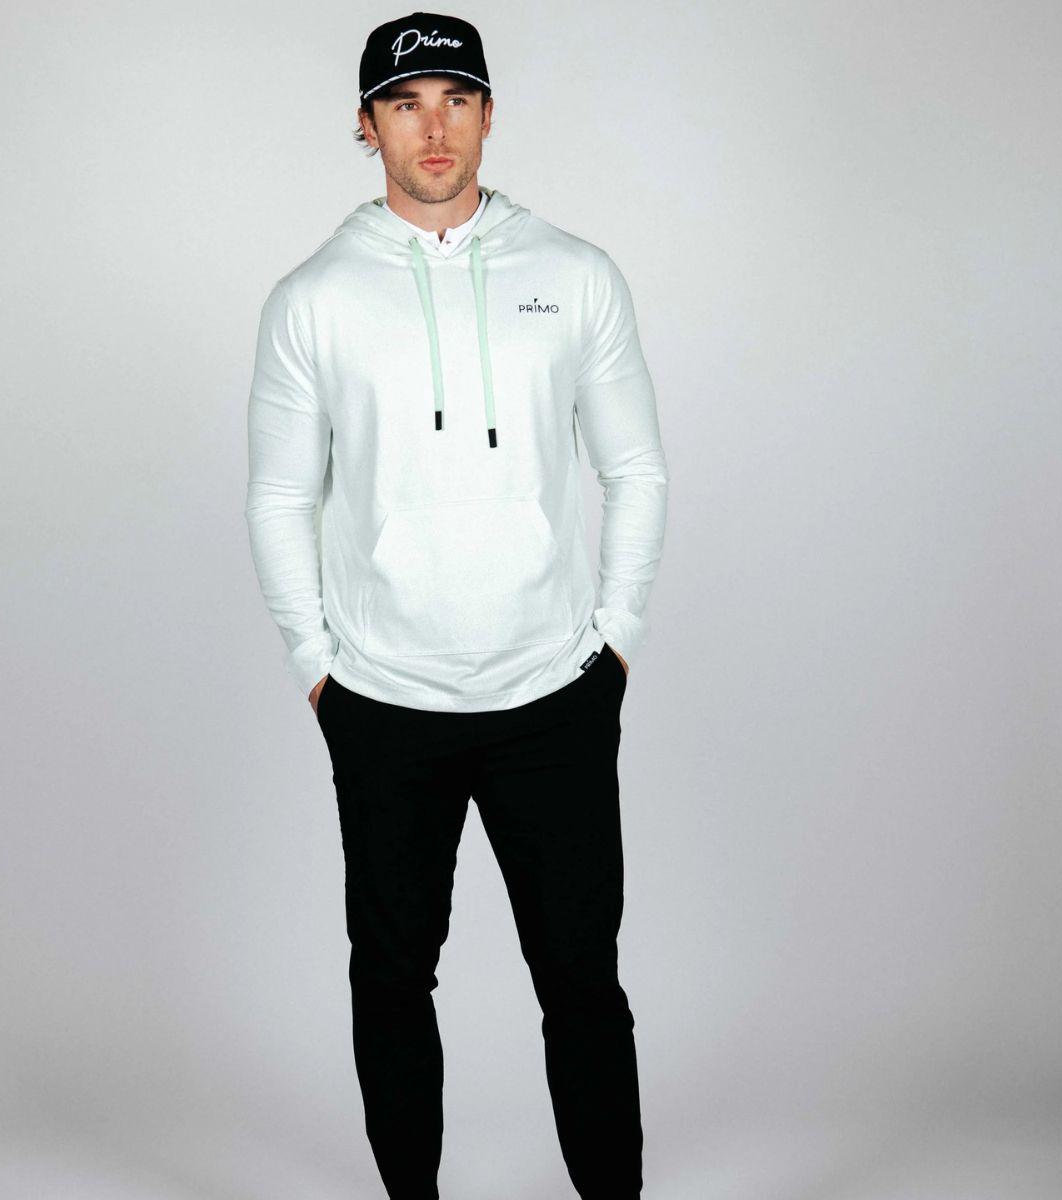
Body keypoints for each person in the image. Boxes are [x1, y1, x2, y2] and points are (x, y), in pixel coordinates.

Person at [244, 11, 668, 1197]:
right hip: (383, 701)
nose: (433, 129)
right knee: (390, 978)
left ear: (487, 115)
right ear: (366, 126)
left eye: (455, 100)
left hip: (553, 696)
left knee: (581, 981)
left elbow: (635, 469)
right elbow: (280, 496)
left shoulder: (575, 276)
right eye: (405, 104)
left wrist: (615, 642)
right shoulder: (313, 298)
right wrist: (318, 667)